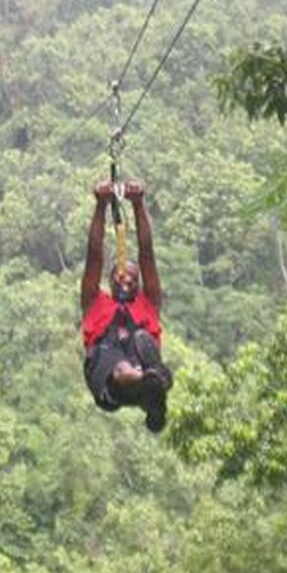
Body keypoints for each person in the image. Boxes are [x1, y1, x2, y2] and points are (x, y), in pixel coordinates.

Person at [80, 178, 173, 432]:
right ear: (109, 282)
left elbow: (147, 253)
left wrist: (138, 204)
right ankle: (153, 385)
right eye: (121, 275)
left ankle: (150, 388)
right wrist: (100, 206)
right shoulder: (94, 302)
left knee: (142, 338)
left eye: (133, 277)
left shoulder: (149, 302)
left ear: (140, 284)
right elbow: (94, 254)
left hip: (138, 361)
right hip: (108, 379)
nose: (127, 279)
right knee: (122, 371)